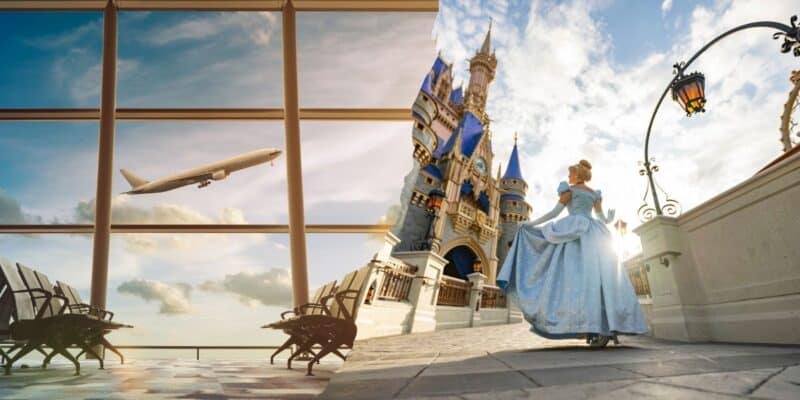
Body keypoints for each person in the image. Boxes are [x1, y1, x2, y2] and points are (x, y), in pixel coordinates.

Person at [496, 159, 648, 347]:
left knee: (572, 279)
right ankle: (602, 327)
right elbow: (600, 217)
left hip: (572, 229)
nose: (568, 177)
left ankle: (593, 328)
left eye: (570, 174)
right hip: (594, 232)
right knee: (598, 280)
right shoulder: (594, 194)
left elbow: (555, 212)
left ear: (576, 175)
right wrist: (607, 219)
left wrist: (531, 224)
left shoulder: (569, 190)